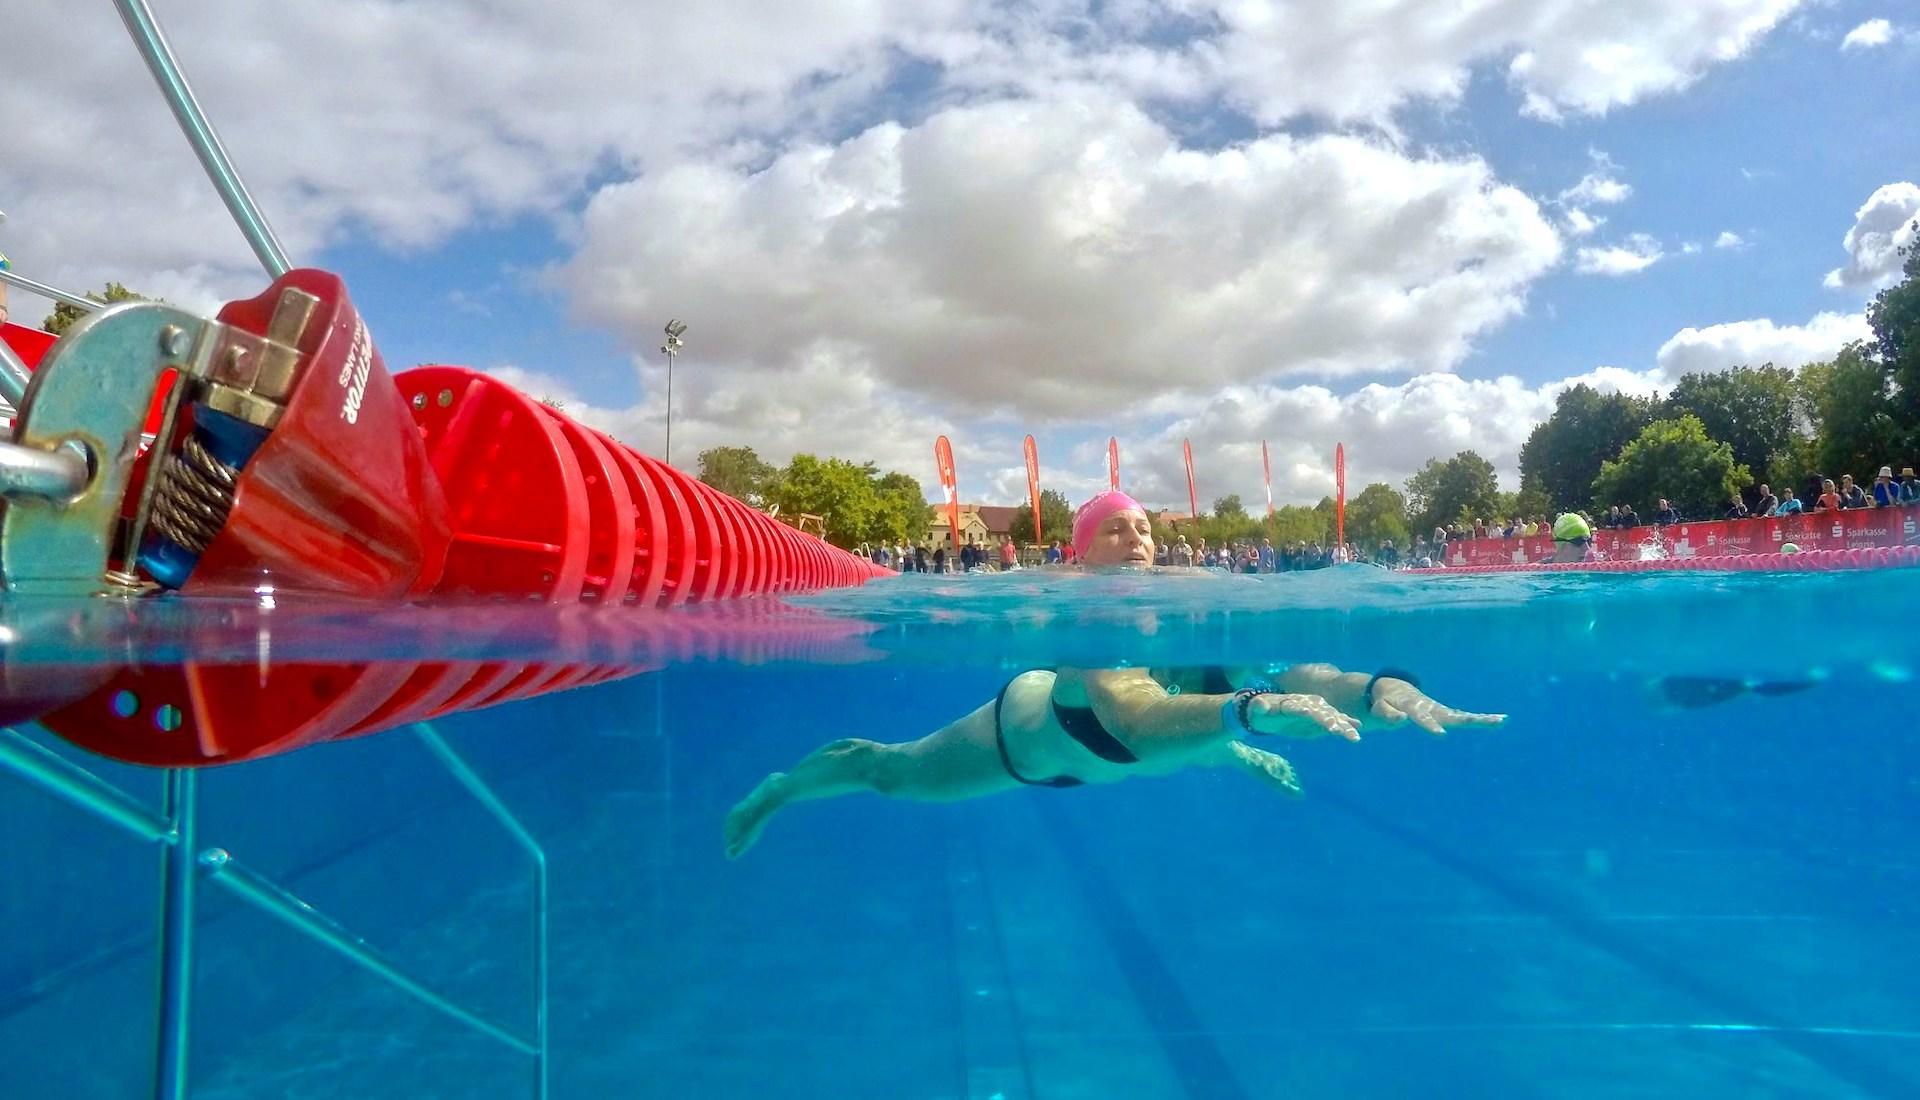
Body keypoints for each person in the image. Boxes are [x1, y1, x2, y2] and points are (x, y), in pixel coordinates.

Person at [723, 490, 1505, 859]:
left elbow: (1302, 673)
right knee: (890, 775)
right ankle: (783, 787)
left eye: (1143, 529)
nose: (1135, 540)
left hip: (1145, 750)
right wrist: (1250, 716)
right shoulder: (1092, 617)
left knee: (1227, 718)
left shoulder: (1205, 612)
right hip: (1029, 743)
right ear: (1082, 550)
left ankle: (1219, 749)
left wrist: (1378, 690)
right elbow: (1131, 716)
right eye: (1114, 531)